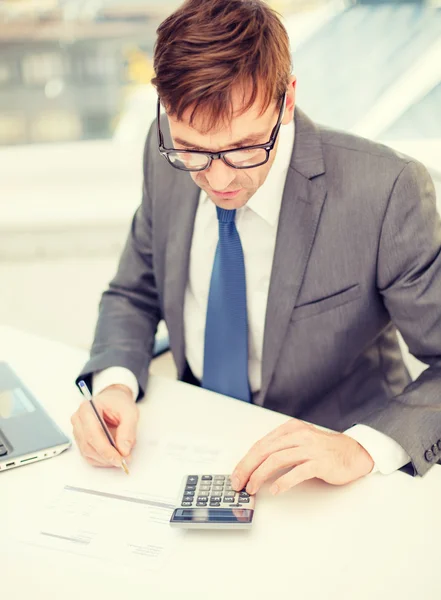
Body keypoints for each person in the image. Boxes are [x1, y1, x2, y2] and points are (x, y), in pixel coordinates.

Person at [71, 0, 441, 496]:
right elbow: (133, 293)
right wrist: (114, 384)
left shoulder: (386, 190)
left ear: (287, 99)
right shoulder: (162, 152)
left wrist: (362, 448)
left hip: (334, 472)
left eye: (245, 147)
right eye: (194, 150)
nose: (218, 179)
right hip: (196, 441)